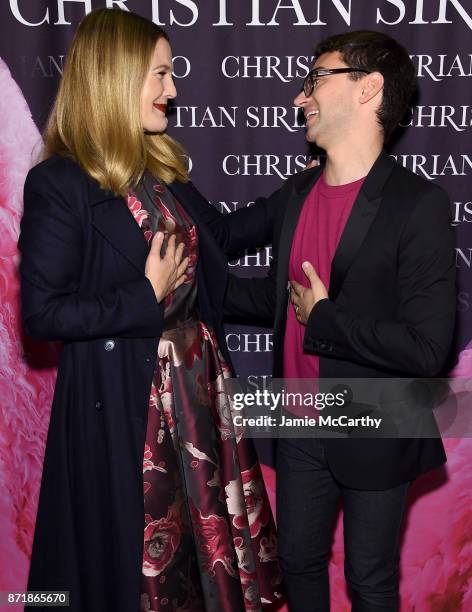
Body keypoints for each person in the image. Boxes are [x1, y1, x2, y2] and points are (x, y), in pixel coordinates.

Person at [19, 8, 283, 612]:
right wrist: (145, 293)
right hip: (128, 406)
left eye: (172, 74)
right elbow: (44, 314)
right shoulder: (60, 183)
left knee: (199, 565)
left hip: (196, 396)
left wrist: (319, 183)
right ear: (115, 77)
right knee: (136, 568)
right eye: (159, 74)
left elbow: (226, 238)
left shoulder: (159, 171)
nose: (172, 89)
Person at [224, 31, 456, 611]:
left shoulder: (416, 205)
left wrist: (325, 317)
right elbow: (241, 260)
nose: (301, 98)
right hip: (299, 420)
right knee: (297, 562)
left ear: (367, 87)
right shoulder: (298, 193)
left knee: (368, 578)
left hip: (378, 424)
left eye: (316, 79)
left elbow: (428, 350)